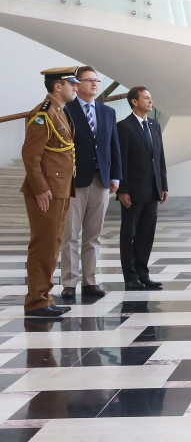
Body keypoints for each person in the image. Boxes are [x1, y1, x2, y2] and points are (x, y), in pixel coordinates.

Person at [21, 67, 80, 316]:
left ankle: (44, 296)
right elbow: (30, 155)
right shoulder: (43, 114)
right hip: (48, 190)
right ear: (58, 86)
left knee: (53, 244)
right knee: (44, 244)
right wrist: (41, 188)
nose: (76, 88)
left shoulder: (59, 112)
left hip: (61, 188)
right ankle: (36, 301)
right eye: (72, 84)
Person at [59, 66, 121, 299]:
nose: (94, 84)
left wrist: (115, 176)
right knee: (70, 235)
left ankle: (89, 281)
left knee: (93, 236)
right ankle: (69, 282)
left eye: (97, 80)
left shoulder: (107, 112)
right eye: (89, 80)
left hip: (101, 180)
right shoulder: (66, 110)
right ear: (77, 84)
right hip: (74, 181)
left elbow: (113, 146)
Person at [117, 86, 168, 291]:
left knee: (146, 234)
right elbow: (121, 159)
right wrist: (123, 189)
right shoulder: (124, 126)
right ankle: (130, 277)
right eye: (146, 98)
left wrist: (163, 185)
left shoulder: (154, 125)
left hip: (153, 189)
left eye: (151, 97)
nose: (150, 101)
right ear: (134, 102)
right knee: (129, 234)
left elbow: (160, 158)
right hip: (133, 191)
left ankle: (143, 274)